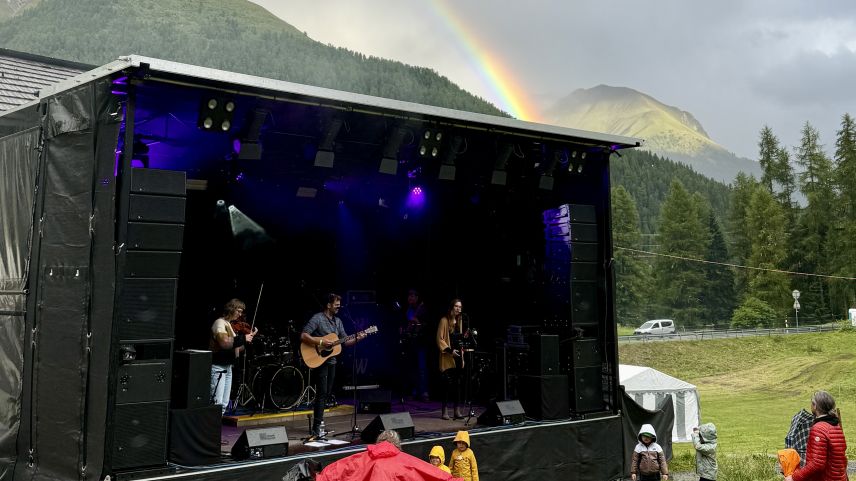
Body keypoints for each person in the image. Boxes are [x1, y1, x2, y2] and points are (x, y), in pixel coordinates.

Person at [301, 293, 365, 441]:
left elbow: (345, 341)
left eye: (339, 304)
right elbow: (304, 336)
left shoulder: (338, 322)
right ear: (328, 305)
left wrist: (358, 338)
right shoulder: (318, 318)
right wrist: (321, 342)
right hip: (320, 361)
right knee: (322, 394)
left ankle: (319, 422)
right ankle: (316, 429)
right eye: (336, 304)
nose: (338, 307)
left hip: (332, 362)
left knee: (327, 393)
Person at [315, 429, 460, 481]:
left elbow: (335, 473)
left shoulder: (359, 459)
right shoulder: (408, 462)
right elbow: (433, 475)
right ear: (397, 444)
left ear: (378, 442)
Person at [785, 390, 847, 481]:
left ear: (815, 406)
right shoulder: (836, 426)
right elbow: (842, 458)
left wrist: (794, 478)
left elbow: (816, 463)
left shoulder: (818, 428)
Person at [209, 298, 257, 414]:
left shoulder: (229, 325)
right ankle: (212, 430)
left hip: (227, 366)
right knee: (217, 403)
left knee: (224, 403)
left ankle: (217, 429)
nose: (240, 315)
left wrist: (246, 341)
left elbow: (235, 349)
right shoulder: (219, 323)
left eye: (241, 312)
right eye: (238, 311)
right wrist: (243, 338)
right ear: (231, 309)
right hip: (218, 366)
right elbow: (224, 343)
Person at [436, 299, 464, 420]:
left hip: (458, 355)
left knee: (457, 384)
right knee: (447, 384)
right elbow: (439, 339)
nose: (459, 309)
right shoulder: (444, 320)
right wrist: (450, 351)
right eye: (457, 306)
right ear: (452, 307)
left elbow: (460, 339)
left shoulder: (460, 321)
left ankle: (457, 410)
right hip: (448, 356)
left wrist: (462, 355)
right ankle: (445, 410)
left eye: (460, 307)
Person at [401, 289, 430, 402]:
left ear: (417, 298)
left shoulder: (422, 309)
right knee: (412, 369)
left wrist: (417, 321)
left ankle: (424, 392)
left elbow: (425, 326)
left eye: (412, 296)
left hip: (421, 342)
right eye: (409, 296)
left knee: (422, 368)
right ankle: (415, 391)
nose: (410, 298)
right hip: (411, 343)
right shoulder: (408, 310)